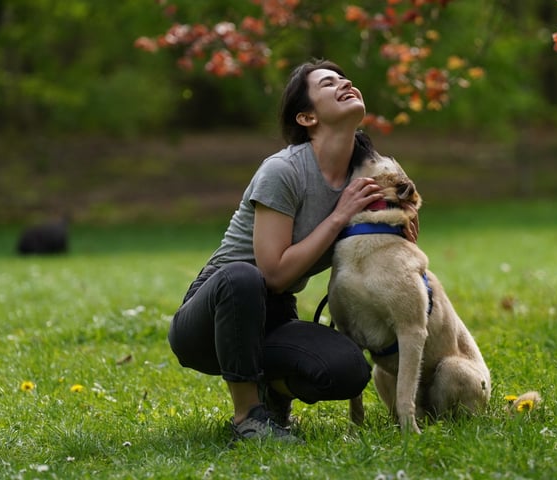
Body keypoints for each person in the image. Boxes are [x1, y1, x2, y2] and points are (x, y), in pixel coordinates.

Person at [168, 59, 418, 444]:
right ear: (306, 118)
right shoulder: (282, 171)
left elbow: (395, 221)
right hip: (215, 315)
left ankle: (274, 392)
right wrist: (339, 218)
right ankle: (247, 418)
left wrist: (399, 226)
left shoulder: (365, 171)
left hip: (275, 314)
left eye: (346, 78)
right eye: (328, 83)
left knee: (348, 369)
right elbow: (274, 274)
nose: (345, 83)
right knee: (244, 275)